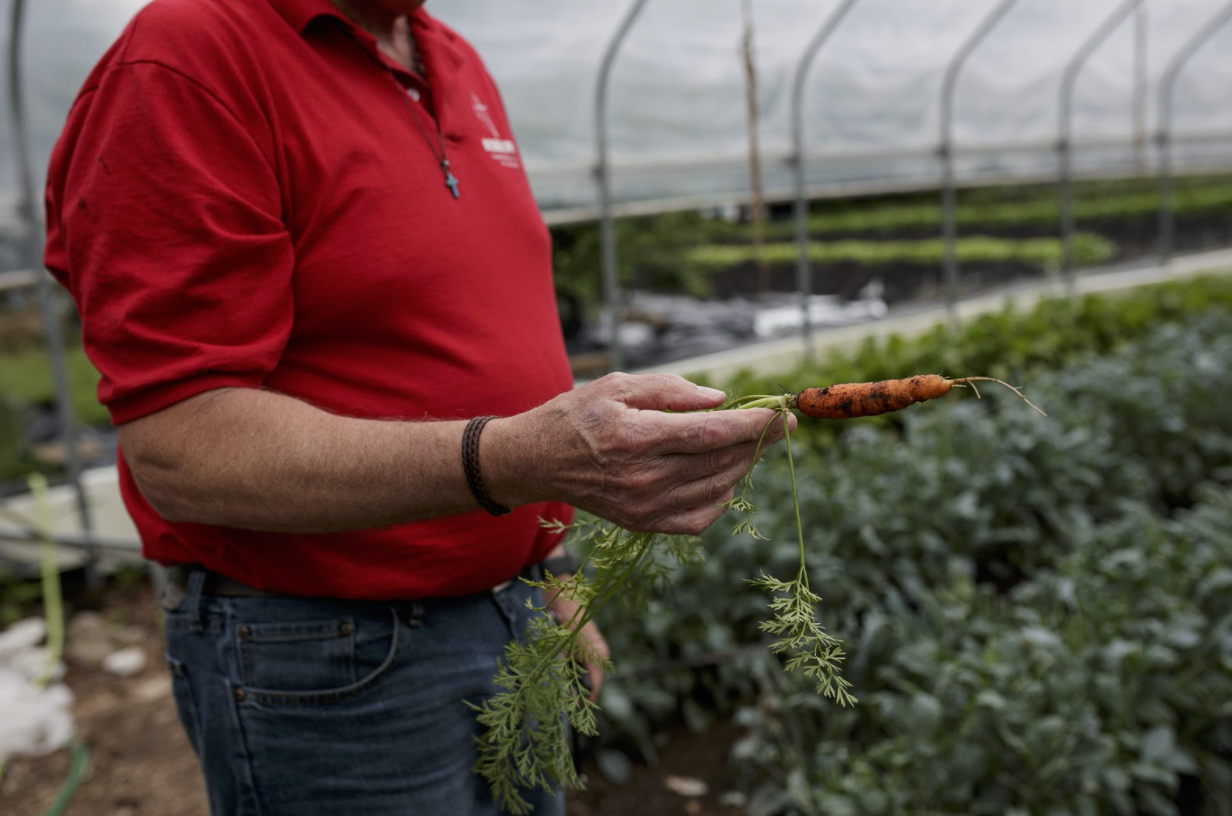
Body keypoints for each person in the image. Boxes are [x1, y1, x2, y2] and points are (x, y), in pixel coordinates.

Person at [43, 0, 793, 814]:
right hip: (328, 654)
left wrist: (551, 566)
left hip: (506, 617)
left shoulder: (451, 56)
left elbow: (483, 324)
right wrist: (508, 460)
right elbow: (181, 447)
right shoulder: (191, 56)